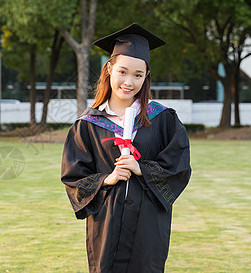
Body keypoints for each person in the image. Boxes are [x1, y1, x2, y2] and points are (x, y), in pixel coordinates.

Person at [61, 23, 192, 273]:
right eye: (122, 72)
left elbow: (179, 167)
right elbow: (73, 178)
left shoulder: (163, 119)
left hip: (148, 226)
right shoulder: (87, 124)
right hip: (106, 224)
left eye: (138, 75)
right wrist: (107, 179)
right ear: (109, 69)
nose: (129, 82)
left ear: (146, 76)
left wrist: (141, 169)